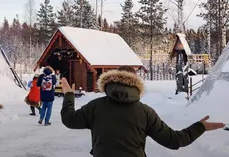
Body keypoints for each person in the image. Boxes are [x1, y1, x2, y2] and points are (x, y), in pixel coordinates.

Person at [60, 65, 225, 157]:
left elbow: (69, 120)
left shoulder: (95, 106)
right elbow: (174, 141)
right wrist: (200, 127)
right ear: (136, 83)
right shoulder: (145, 112)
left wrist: (68, 95)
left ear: (111, 80)